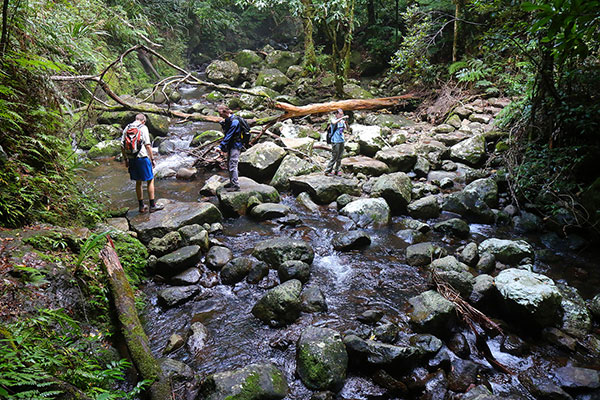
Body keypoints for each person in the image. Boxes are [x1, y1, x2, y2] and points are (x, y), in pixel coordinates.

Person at [121, 113, 164, 213]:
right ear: (143, 121)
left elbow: (122, 145)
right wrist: (152, 159)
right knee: (150, 180)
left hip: (132, 158)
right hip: (142, 157)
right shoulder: (143, 127)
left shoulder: (127, 127)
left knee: (138, 181)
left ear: (135, 119)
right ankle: (152, 205)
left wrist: (126, 159)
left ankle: (141, 206)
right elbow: (148, 145)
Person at [217, 105, 243, 192]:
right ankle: (232, 182)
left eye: (220, 113)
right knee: (229, 164)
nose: (220, 115)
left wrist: (221, 146)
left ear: (225, 112)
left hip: (236, 145)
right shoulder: (228, 120)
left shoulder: (235, 122)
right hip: (231, 145)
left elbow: (229, 135)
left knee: (233, 164)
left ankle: (235, 185)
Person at [325, 109, 348, 176]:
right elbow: (334, 123)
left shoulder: (342, 122)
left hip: (341, 140)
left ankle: (337, 170)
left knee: (340, 157)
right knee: (334, 156)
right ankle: (327, 171)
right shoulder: (333, 119)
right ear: (336, 114)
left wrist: (345, 123)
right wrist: (342, 118)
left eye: (342, 114)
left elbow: (346, 129)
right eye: (340, 114)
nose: (341, 115)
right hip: (335, 140)